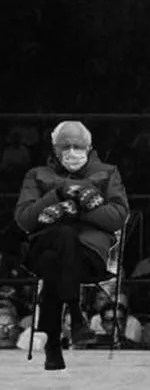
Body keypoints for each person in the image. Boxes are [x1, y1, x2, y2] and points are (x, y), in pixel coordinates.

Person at [14, 120, 130, 370]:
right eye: (65, 147)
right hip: (43, 242)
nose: (72, 152)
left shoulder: (108, 173)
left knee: (52, 261)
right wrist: (57, 194)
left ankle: (53, 347)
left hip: (88, 255)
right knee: (62, 238)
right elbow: (24, 219)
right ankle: (76, 316)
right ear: (55, 149)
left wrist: (75, 210)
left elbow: (118, 217)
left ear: (89, 147)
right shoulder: (37, 175)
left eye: (78, 146)